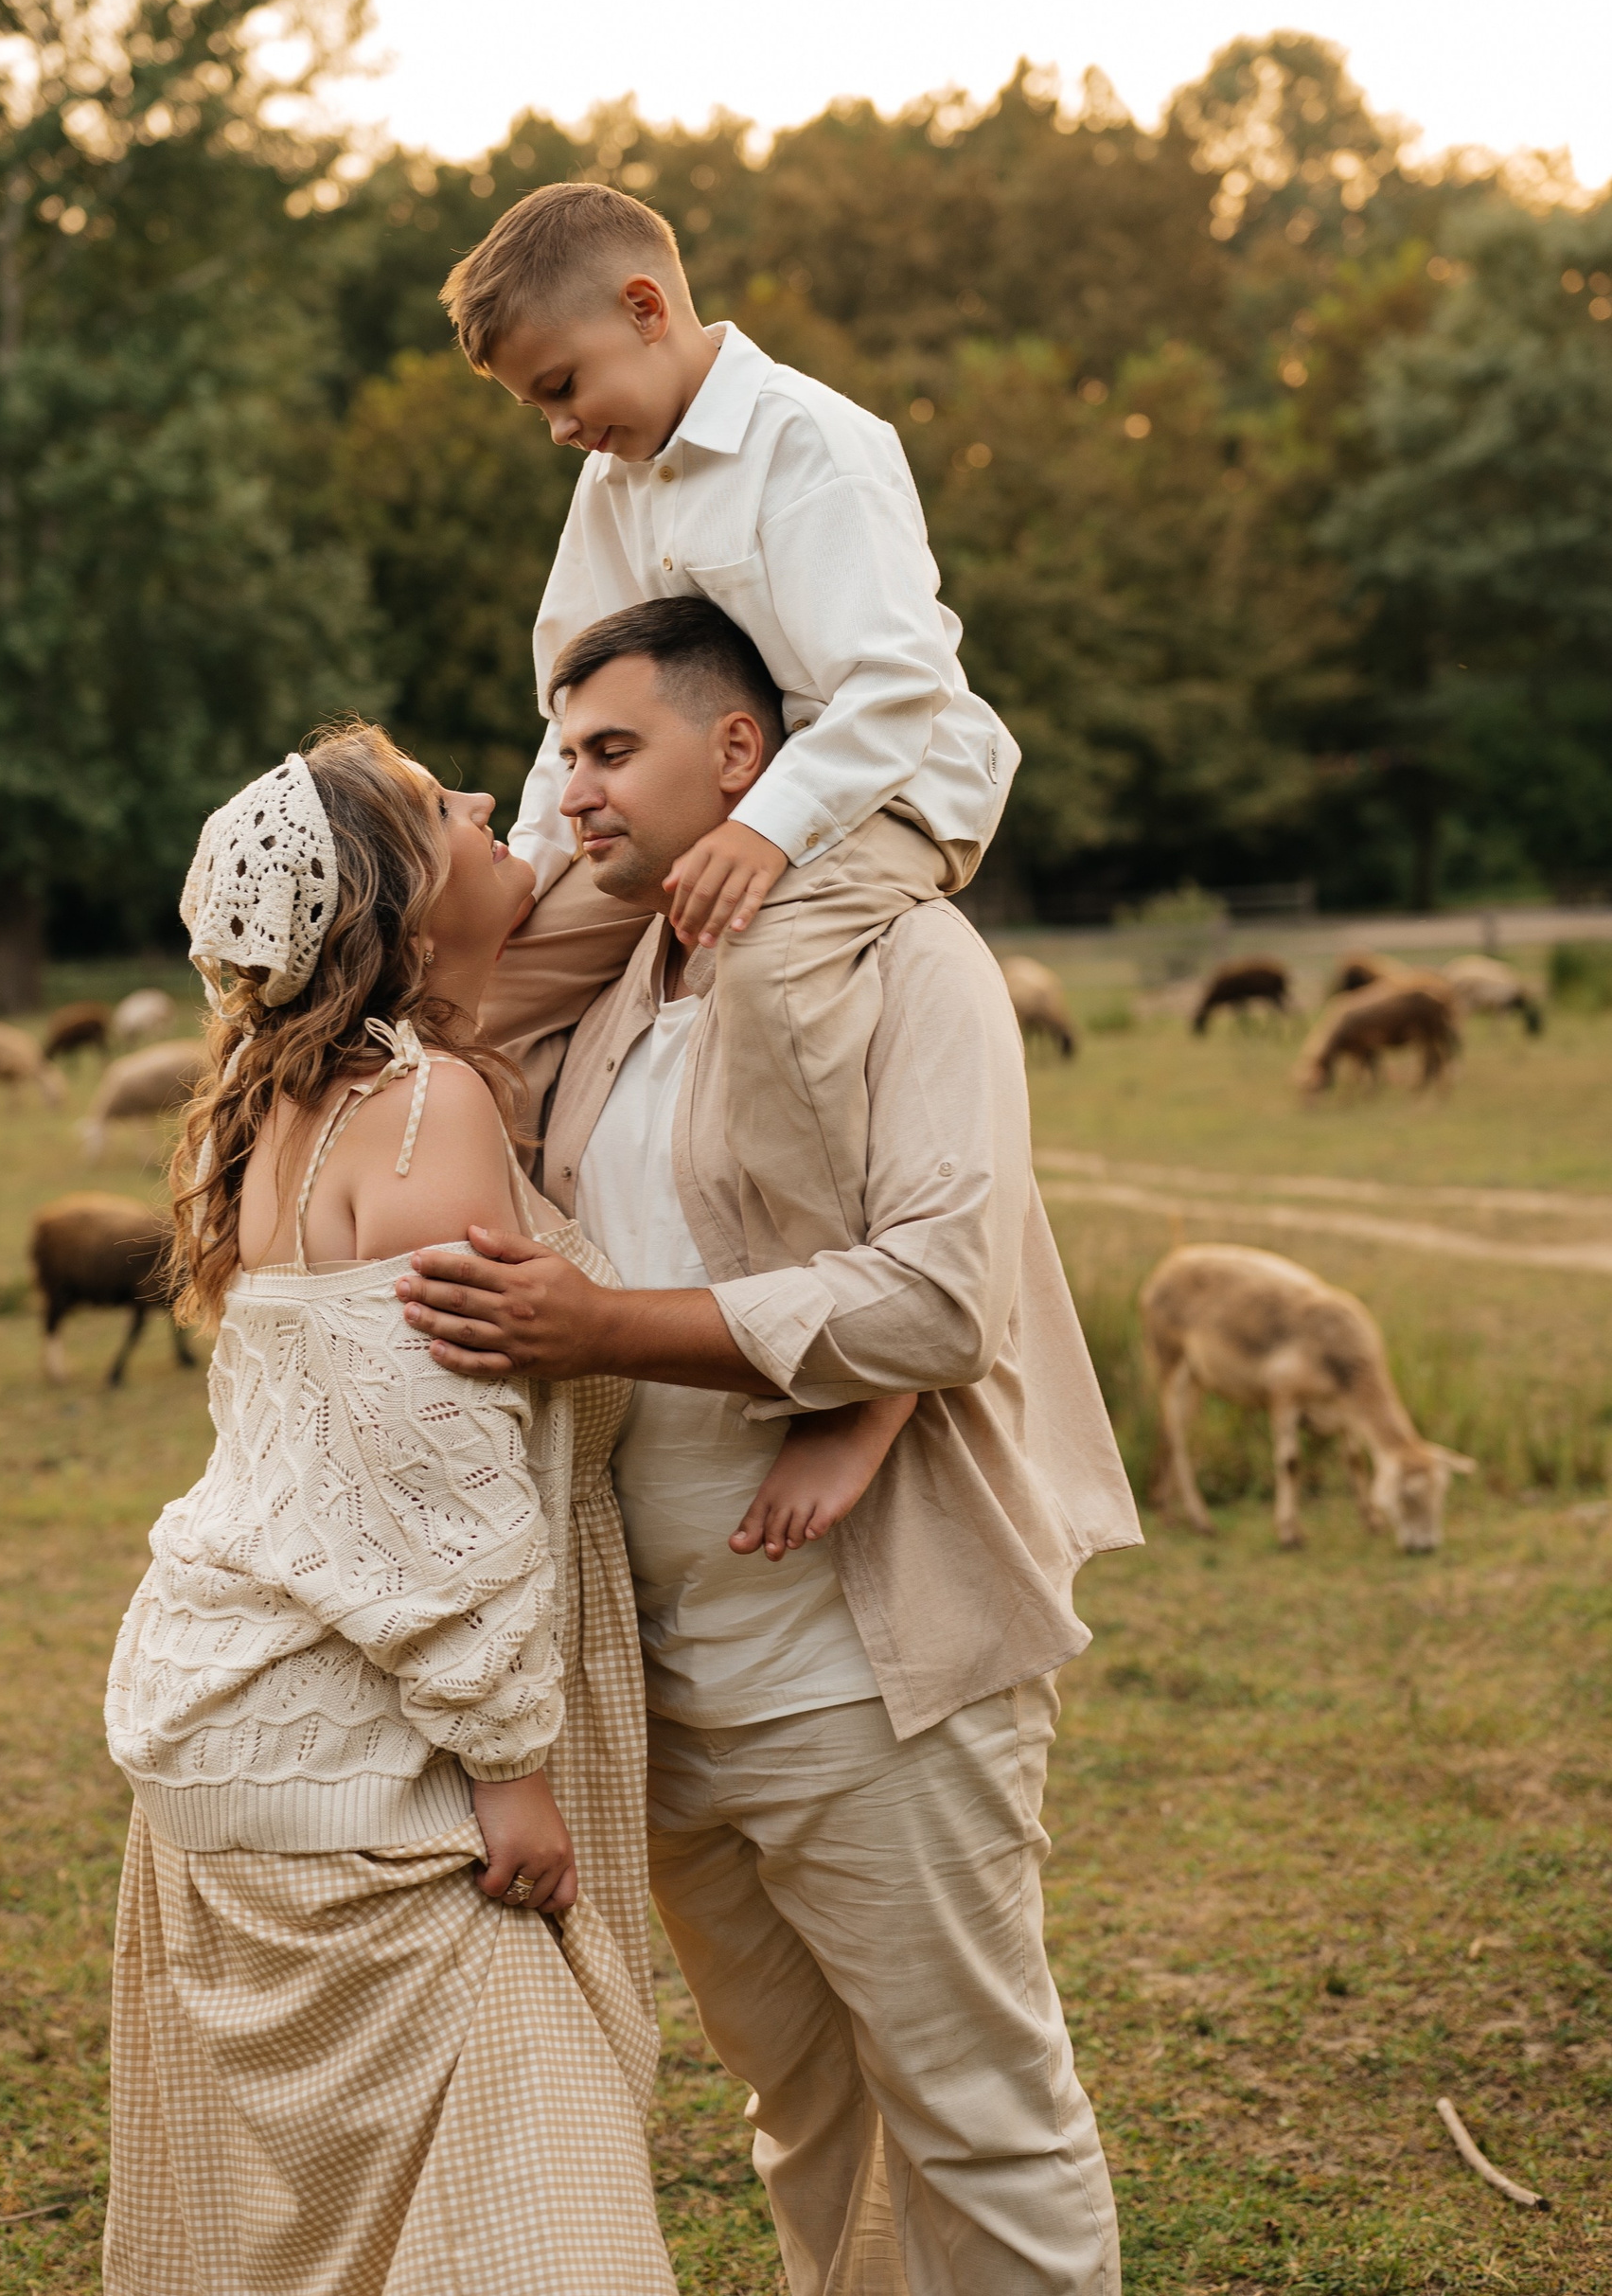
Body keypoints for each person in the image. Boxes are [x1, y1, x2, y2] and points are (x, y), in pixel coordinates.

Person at [398, 606, 1144, 2296]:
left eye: (611, 750)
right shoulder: (612, 993)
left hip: (865, 1667)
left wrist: (609, 1327)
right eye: (563, 754)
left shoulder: (911, 963)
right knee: (802, 2115)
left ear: (742, 752)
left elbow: (942, 1293)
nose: (572, 791)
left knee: (979, 2115)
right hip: (663, 1685)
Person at [101, 723, 681, 2296]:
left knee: (359, 2229)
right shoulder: (429, 1115)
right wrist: (510, 1770)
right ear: (398, 907)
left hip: (235, 1709)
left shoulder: (290, 1101)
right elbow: (435, 1478)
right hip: (357, 1756)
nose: (494, 801)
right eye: (442, 805)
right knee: (546, 2228)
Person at [442, 180, 1018, 1282]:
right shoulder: (611, 483)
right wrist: (533, 863)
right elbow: (573, 705)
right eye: (536, 408)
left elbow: (895, 683)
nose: (560, 427)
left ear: (645, 308)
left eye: (562, 386)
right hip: (692, 806)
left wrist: (767, 831)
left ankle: (813, 1303)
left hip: (886, 785)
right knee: (494, 989)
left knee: (770, 965)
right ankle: (525, 1253)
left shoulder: (810, 441)